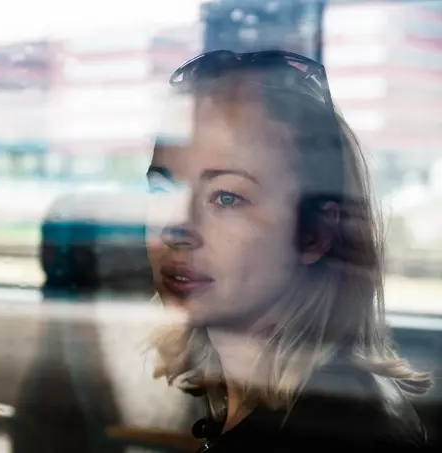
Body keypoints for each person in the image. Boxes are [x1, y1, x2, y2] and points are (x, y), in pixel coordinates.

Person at [145, 50, 432, 451]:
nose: (176, 228)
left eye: (227, 197)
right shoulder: (260, 402)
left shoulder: (347, 434)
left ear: (315, 232)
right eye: (162, 190)